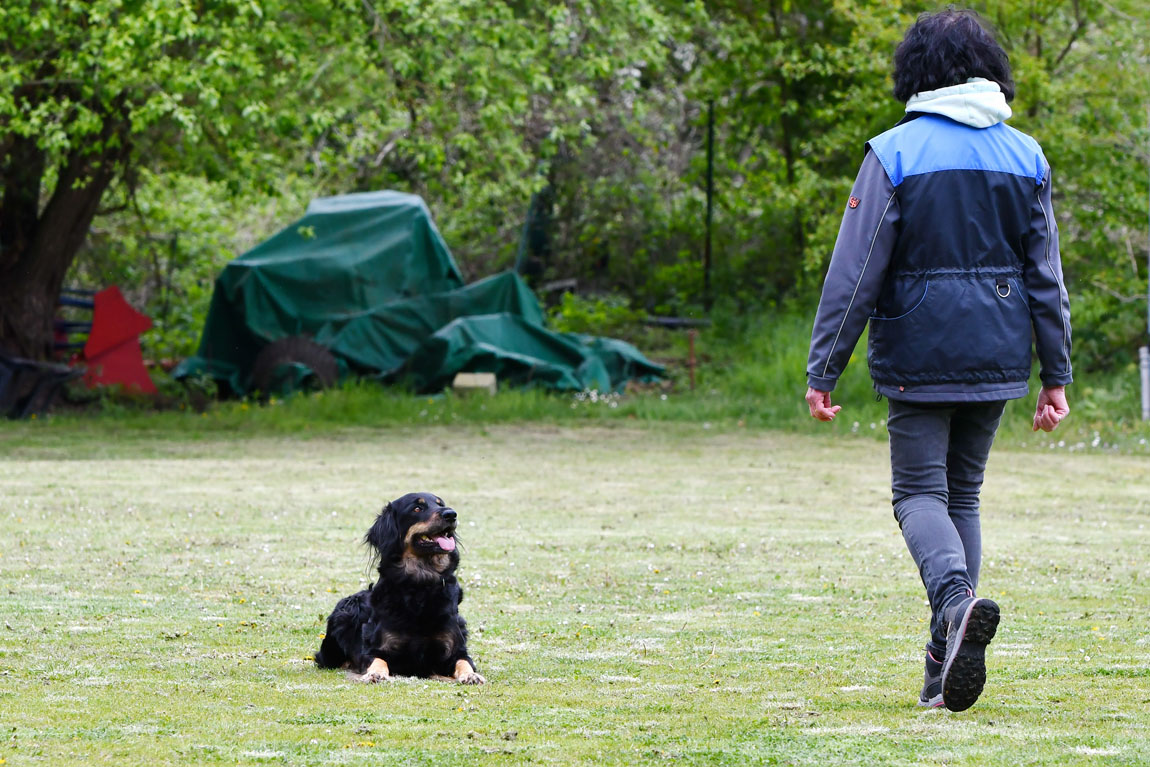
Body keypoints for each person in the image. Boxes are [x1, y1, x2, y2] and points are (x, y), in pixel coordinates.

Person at [803, 9, 1072, 712]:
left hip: (918, 353)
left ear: (916, 72)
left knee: (918, 494)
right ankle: (937, 664)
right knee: (964, 496)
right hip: (998, 355)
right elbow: (1046, 275)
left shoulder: (894, 152)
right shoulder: (1026, 154)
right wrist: (1057, 373)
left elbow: (855, 270)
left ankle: (955, 605)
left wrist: (824, 367)